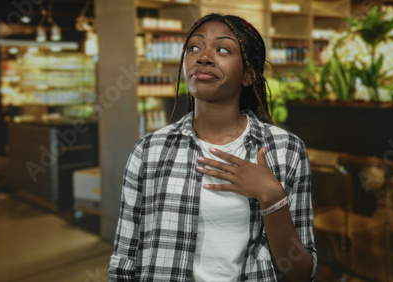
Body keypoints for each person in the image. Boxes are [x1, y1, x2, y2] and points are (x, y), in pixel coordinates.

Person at [108, 13, 317, 281]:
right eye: (193, 47)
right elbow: (124, 262)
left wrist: (271, 196)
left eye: (222, 49)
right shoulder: (149, 152)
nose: (203, 57)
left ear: (248, 75)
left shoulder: (285, 151)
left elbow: (301, 273)